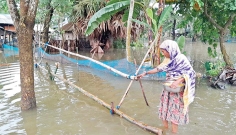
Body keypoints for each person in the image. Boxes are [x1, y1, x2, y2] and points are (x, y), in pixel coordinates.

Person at [137, 39, 196, 133]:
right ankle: (165, 130)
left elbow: (191, 73)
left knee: (174, 115)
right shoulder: (168, 60)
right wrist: (145, 73)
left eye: (164, 52)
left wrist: (178, 81)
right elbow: (158, 69)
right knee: (164, 111)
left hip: (178, 92)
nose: (163, 54)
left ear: (171, 50)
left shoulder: (182, 59)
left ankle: (174, 133)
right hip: (168, 90)